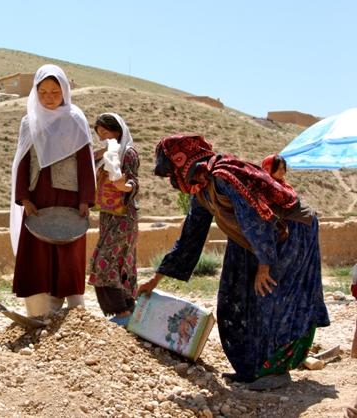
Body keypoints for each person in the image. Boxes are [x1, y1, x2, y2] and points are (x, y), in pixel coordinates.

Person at [138, 134, 330, 390]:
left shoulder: (225, 176)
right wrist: (156, 278)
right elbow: (190, 238)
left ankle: (276, 370)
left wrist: (264, 265)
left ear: (185, 162)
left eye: (173, 170)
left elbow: (258, 218)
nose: (173, 179)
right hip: (251, 238)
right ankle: (250, 368)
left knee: (273, 298)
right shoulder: (201, 189)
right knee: (233, 295)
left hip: (288, 231)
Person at [10, 64, 96, 317]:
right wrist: (24, 197)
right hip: (38, 196)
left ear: (65, 91)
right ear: (35, 92)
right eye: (43, 92)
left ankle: (75, 311)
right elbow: (23, 161)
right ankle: (39, 311)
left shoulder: (75, 119)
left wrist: (85, 199)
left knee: (69, 250)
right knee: (37, 252)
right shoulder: (29, 122)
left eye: (55, 92)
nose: (49, 97)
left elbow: (85, 161)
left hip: (70, 197)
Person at [87, 113, 139, 326]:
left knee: (107, 259)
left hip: (124, 216)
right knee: (115, 259)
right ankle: (126, 310)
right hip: (108, 216)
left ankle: (122, 311)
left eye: (105, 132)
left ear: (117, 131)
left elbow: (133, 182)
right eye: (99, 133)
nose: (102, 137)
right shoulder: (105, 154)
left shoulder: (128, 153)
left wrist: (122, 186)